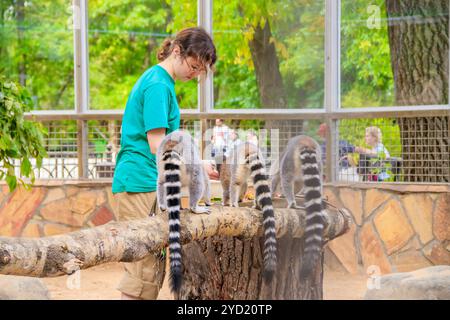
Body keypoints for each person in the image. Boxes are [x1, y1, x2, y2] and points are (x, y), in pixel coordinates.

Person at [111, 27, 217, 300]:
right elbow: (158, 144)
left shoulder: (162, 82)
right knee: (142, 271)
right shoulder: (158, 84)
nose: (194, 74)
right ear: (177, 51)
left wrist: (198, 162)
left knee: (151, 266)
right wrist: (194, 166)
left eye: (200, 71)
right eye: (193, 66)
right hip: (140, 179)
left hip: (149, 179)